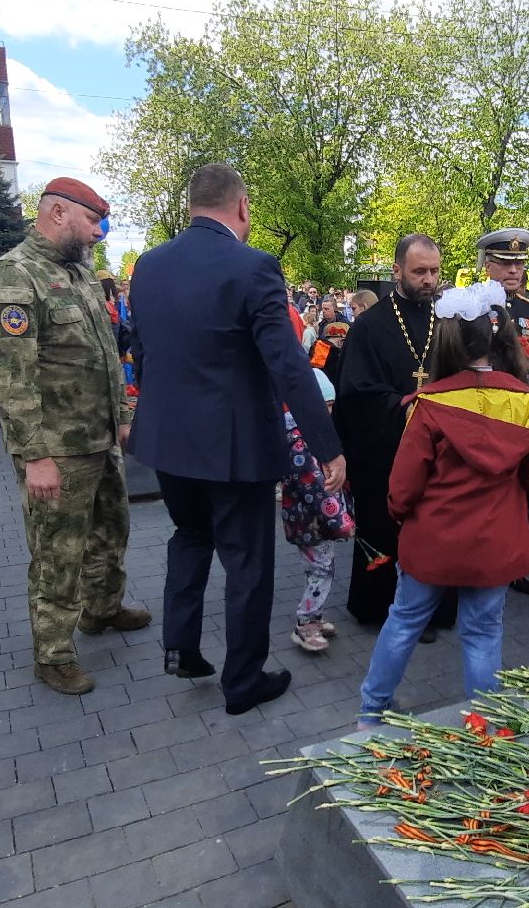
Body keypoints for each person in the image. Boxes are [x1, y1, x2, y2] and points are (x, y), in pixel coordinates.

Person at [128, 164, 340, 714]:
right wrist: (327, 445)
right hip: (235, 449)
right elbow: (289, 366)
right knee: (247, 562)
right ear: (242, 206)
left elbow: (146, 355)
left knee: (190, 537)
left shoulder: (148, 266)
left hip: (169, 443)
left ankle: (182, 648)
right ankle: (242, 682)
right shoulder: (254, 268)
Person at [357, 281, 529, 728]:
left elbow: (404, 485)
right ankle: (484, 724)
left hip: (432, 538)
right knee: (484, 632)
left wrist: (399, 514)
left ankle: (371, 712)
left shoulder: (428, 405)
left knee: (404, 621)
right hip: (497, 540)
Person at [0, 179, 148, 696]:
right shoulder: (13, 277)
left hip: (99, 439)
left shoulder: (77, 274)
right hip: (57, 450)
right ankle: (53, 653)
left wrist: (120, 414)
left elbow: (104, 355)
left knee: (109, 532)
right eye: (92, 221)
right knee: (58, 552)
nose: (98, 232)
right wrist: (36, 456)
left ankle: (102, 609)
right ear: (56, 212)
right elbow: (9, 377)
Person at [335, 234, 451, 627]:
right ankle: (379, 608)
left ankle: (431, 611)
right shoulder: (370, 326)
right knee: (384, 528)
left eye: (434, 271)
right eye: (420, 271)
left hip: (436, 452)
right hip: (384, 451)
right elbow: (356, 394)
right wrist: (411, 408)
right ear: (397, 270)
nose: (429, 280)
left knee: (433, 530)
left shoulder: (448, 321)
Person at [282, 369, 352, 654]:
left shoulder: (306, 435)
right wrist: (342, 521)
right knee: (320, 570)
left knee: (322, 568)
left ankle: (315, 615)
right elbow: (317, 489)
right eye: (326, 406)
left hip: (311, 521)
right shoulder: (301, 441)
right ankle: (305, 624)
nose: (330, 412)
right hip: (309, 521)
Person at [475, 228, 529, 366]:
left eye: (519, 263)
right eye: (505, 263)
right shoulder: (473, 307)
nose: (513, 270)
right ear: (488, 267)